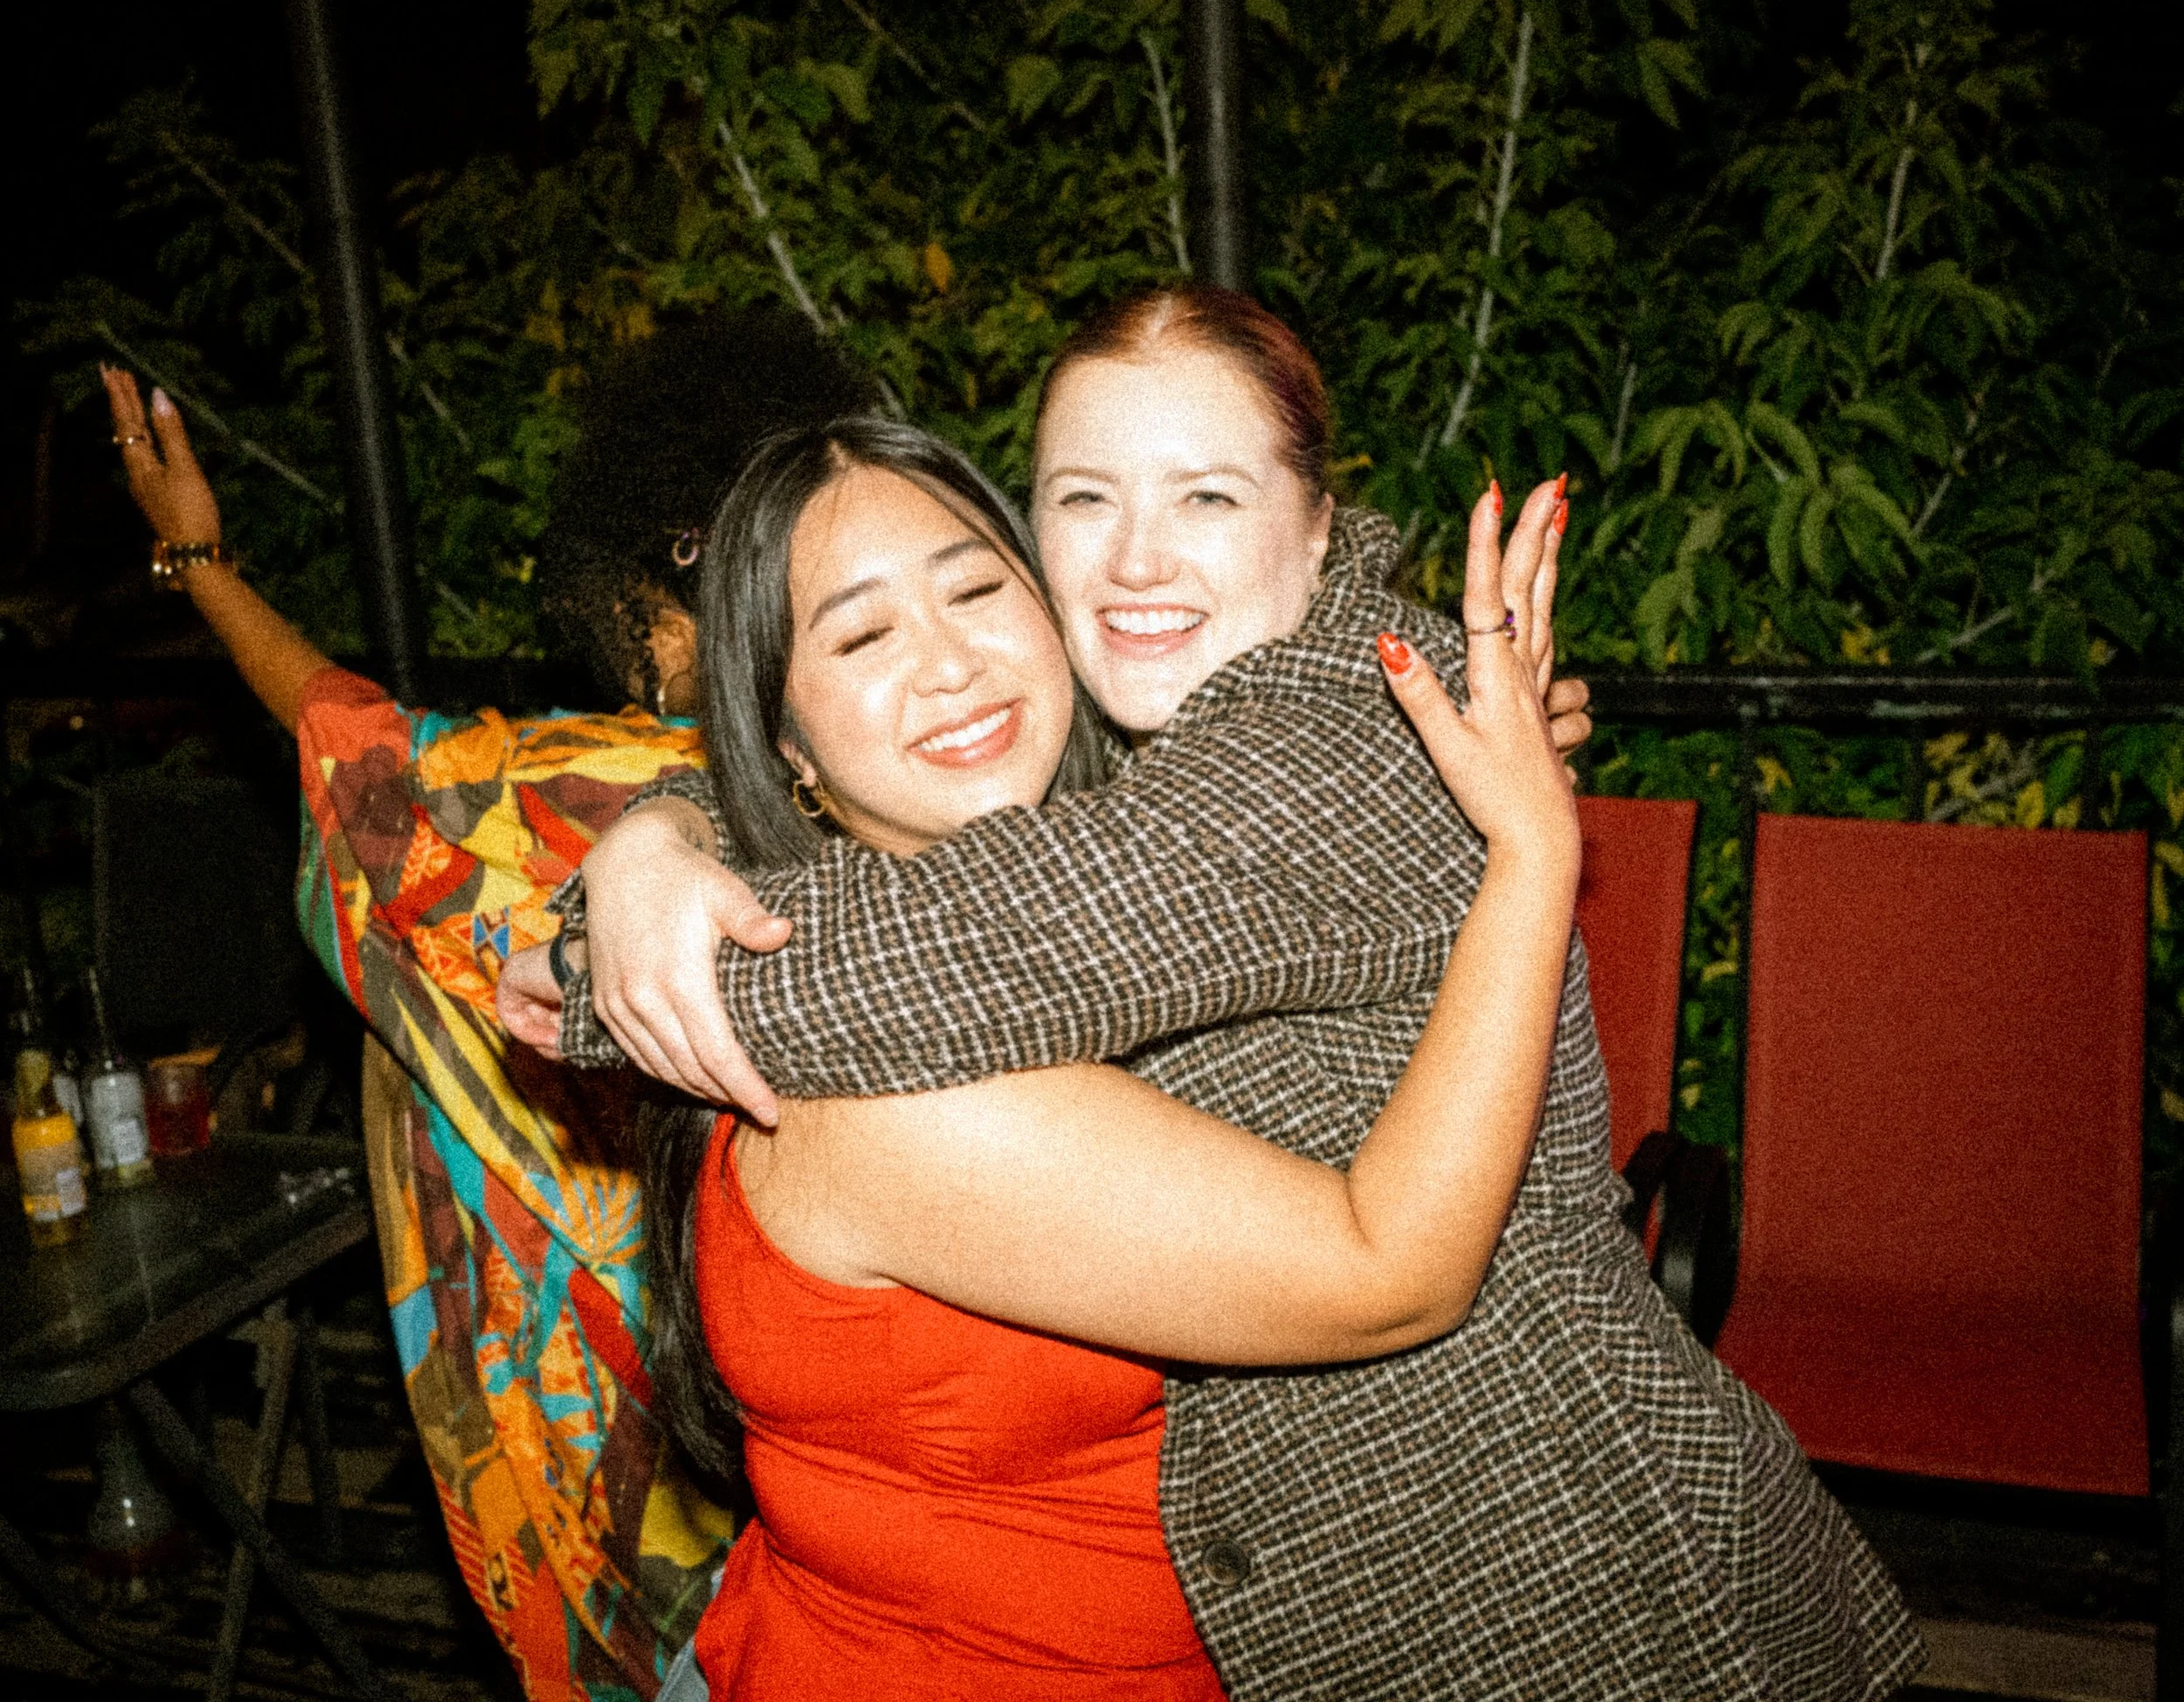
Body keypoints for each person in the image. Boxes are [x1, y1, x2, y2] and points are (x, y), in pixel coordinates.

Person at [504, 286, 1923, 1699]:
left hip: (1581, 1585)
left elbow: (941, 954)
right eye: (1081, 502)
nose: (1134, 565)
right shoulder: (1146, 752)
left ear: (1318, 526)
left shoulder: (1337, 741)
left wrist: (598, 956)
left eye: (1207, 500)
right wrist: (660, 834)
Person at [542, 410, 1580, 1699]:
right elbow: (1394, 1274)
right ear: (792, 749)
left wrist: (660, 830)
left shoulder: (1093, 895)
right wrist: (1534, 855)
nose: (952, 665)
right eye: (863, 635)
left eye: (979, 590)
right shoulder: (888, 1092)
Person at [97, 307, 879, 1702]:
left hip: (617, 1428)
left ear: (647, 613)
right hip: (845, 1415)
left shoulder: (551, 798)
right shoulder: (885, 773)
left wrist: (201, 562)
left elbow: (354, 749)